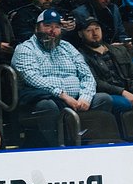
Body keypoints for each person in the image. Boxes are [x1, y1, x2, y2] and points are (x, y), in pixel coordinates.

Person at [11, 9, 113, 147]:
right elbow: (32, 77)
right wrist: (62, 95)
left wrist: (85, 97)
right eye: (47, 26)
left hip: (77, 100)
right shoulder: (25, 49)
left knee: (103, 99)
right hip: (46, 100)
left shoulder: (67, 47)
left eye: (57, 27)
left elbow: (87, 75)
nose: (53, 31)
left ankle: (88, 144)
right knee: (46, 106)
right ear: (37, 28)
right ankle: (58, 146)